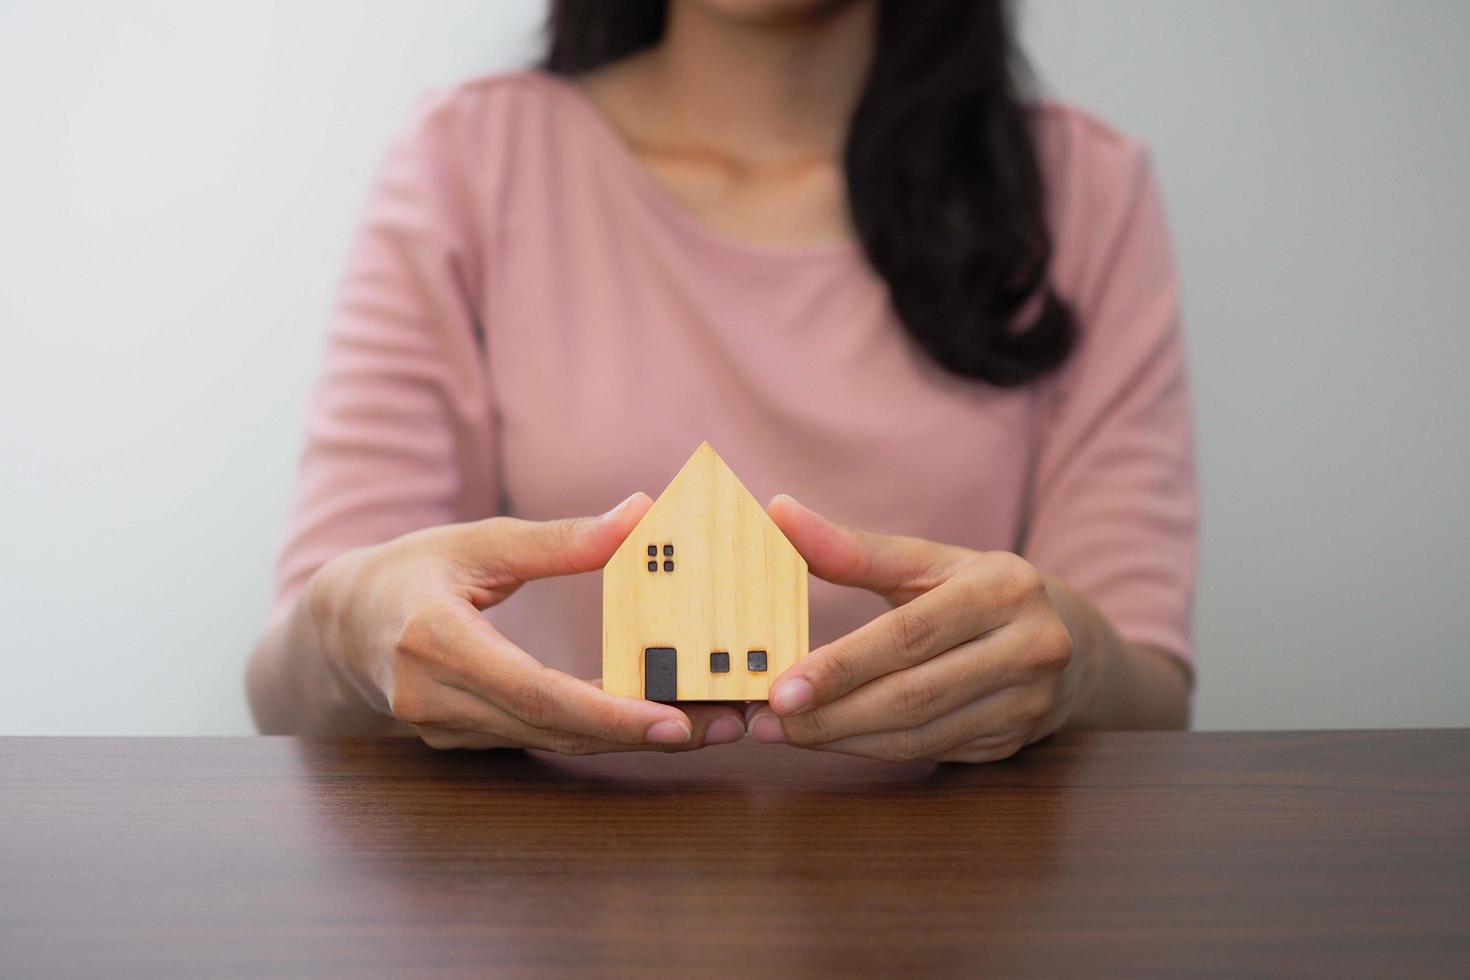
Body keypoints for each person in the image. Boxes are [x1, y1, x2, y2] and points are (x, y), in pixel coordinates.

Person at [246, 0, 1197, 763]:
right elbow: (292, 682)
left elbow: (1149, 699)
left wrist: (1069, 661)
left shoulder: (1084, 188)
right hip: (554, 891)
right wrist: (352, 627)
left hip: (954, 903)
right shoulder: (471, 158)